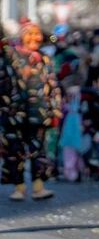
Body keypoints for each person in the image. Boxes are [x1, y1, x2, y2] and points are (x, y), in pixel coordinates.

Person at [3, 21, 59, 201]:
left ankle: (38, 187)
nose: (34, 38)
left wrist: (56, 109)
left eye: (37, 34)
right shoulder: (10, 56)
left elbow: (53, 84)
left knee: (38, 152)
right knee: (14, 152)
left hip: (40, 113)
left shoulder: (44, 58)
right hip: (14, 112)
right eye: (29, 33)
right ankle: (19, 188)